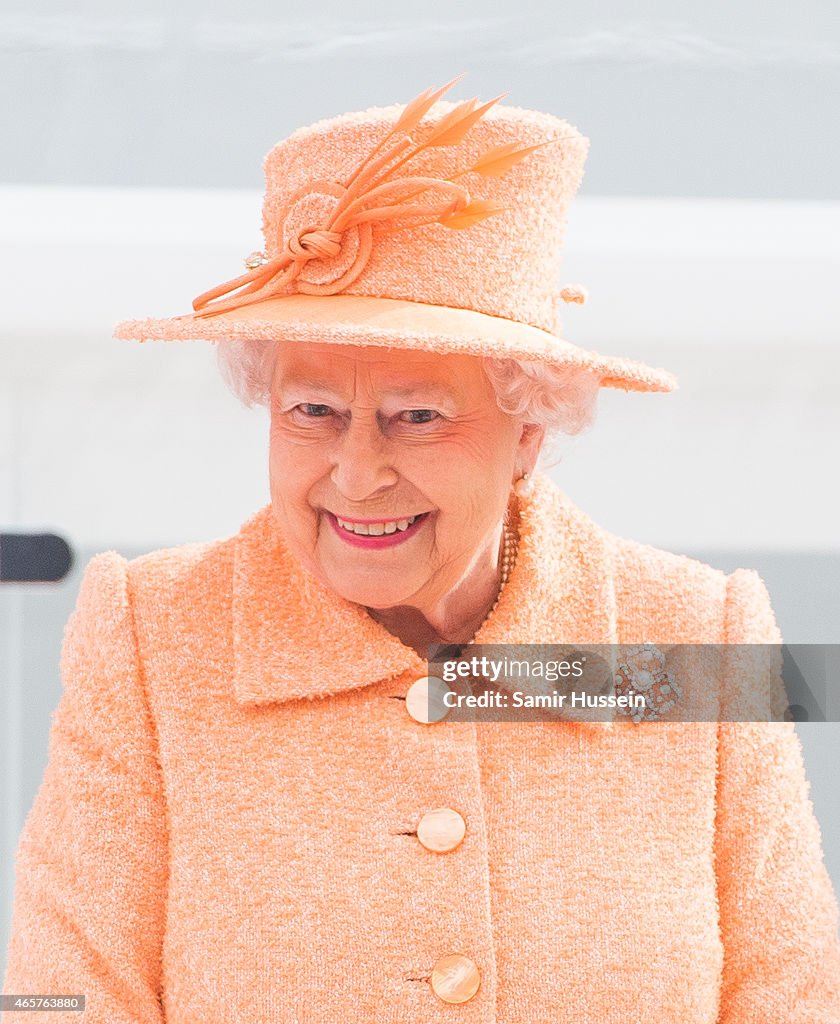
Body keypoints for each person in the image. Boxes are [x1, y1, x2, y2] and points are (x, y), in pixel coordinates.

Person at [4, 74, 839, 1023]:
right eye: (312, 411)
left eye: (417, 417)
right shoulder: (150, 637)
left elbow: (795, 994)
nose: (357, 474)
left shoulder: (702, 635)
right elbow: (61, 1000)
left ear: (530, 427)